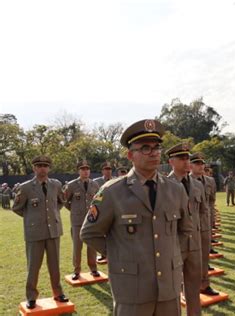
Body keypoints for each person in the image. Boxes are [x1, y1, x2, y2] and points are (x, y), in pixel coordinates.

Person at [80, 119, 194, 315]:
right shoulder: (112, 192)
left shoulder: (176, 190)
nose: (154, 153)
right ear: (130, 155)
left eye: (157, 147)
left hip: (169, 286)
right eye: (146, 148)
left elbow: (186, 231)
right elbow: (89, 233)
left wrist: (173, 258)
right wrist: (121, 257)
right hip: (131, 288)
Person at [12, 155, 69, 309]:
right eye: (39, 166)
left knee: (55, 265)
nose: (42, 168)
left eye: (45, 165)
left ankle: (58, 293)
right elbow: (16, 208)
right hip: (34, 233)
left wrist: (53, 215)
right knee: (33, 266)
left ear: (49, 168)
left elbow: (61, 202)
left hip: (53, 232)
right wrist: (32, 219)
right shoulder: (25, 187)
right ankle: (31, 297)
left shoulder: (56, 184)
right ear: (34, 168)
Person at [166, 143, 206, 316]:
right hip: (173, 244)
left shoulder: (197, 185)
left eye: (187, 158)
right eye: (181, 158)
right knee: (172, 290)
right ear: (171, 162)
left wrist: (205, 238)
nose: (186, 161)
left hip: (195, 244)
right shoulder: (163, 186)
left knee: (193, 288)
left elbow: (204, 213)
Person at [189, 152, 220, 298]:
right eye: (197, 163)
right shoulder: (184, 181)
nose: (200, 166)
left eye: (202, 164)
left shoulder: (210, 181)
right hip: (190, 225)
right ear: (190, 165)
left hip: (205, 223)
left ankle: (204, 284)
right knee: (189, 258)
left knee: (204, 256)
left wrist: (211, 218)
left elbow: (212, 201)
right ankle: (186, 286)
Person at [64, 160, 100, 280]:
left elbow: (99, 201)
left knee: (92, 246)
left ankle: (93, 268)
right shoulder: (71, 185)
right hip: (77, 220)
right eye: (83, 169)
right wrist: (75, 210)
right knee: (77, 247)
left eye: (87, 169)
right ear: (78, 171)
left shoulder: (95, 185)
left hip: (91, 220)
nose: (86, 171)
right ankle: (77, 270)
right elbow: (66, 202)